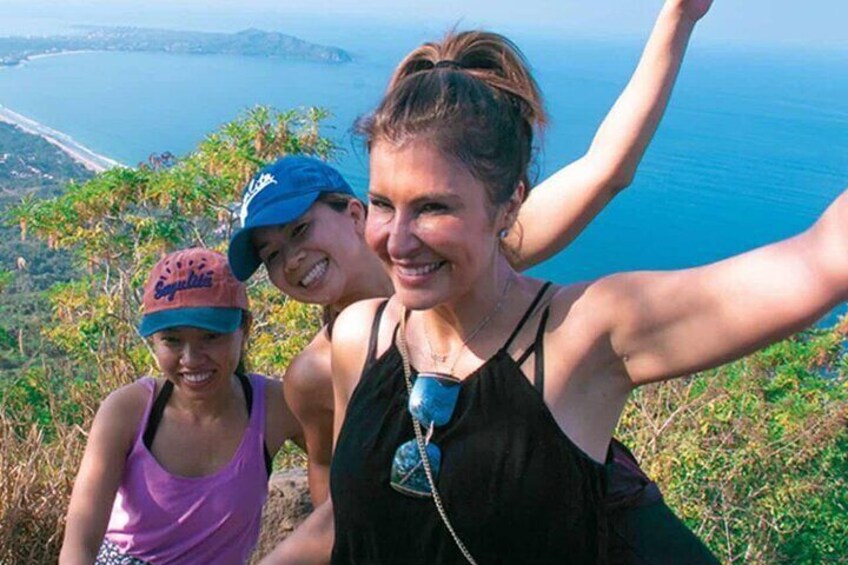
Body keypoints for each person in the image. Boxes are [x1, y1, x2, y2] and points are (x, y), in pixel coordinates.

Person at [259, 7, 848, 565]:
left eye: (434, 207)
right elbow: (352, 513)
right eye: (385, 204)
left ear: (510, 203)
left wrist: (678, 16)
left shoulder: (579, 338)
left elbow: (820, 263)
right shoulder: (359, 337)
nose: (400, 239)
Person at [59, 248, 304, 565]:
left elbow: (343, 470)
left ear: (245, 328)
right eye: (172, 340)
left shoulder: (274, 407)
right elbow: (79, 544)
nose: (191, 359)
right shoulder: (130, 411)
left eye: (211, 337)